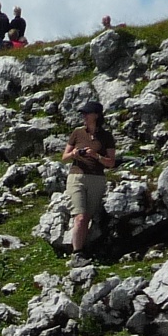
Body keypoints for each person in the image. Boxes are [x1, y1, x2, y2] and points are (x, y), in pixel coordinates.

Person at [62, 101, 116, 256]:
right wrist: (74, 154)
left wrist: (96, 155)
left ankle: (84, 249)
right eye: (83, 113)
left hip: (96, 179)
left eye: (87, 113)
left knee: (87, 217)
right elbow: (64, 157)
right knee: (80, 216)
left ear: (96, 115)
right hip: (76, 176)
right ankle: (77, 253)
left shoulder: (106, 136)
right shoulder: (77, 132)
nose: (84, 116)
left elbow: (111, 163)